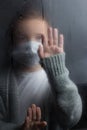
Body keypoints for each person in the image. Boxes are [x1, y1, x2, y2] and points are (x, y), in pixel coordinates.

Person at [0, 1, 82, 130]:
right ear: (12, 41)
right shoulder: (3, 81)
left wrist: (58, 71)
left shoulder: (55, 78)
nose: (31, 46)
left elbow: (71, 118)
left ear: (49, 40)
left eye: (39, 38)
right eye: (22, 37)